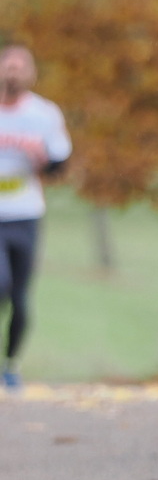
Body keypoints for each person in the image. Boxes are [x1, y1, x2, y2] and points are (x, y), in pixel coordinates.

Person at [0, 46, 72, 391]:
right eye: (8, 66)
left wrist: (42, 158)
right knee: (0, 282)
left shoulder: (44, 114)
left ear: (31, 74)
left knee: (20, 298)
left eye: (20, 67)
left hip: (25, 213)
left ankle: (10, 364)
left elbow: (59, 165)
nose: (13, 72)